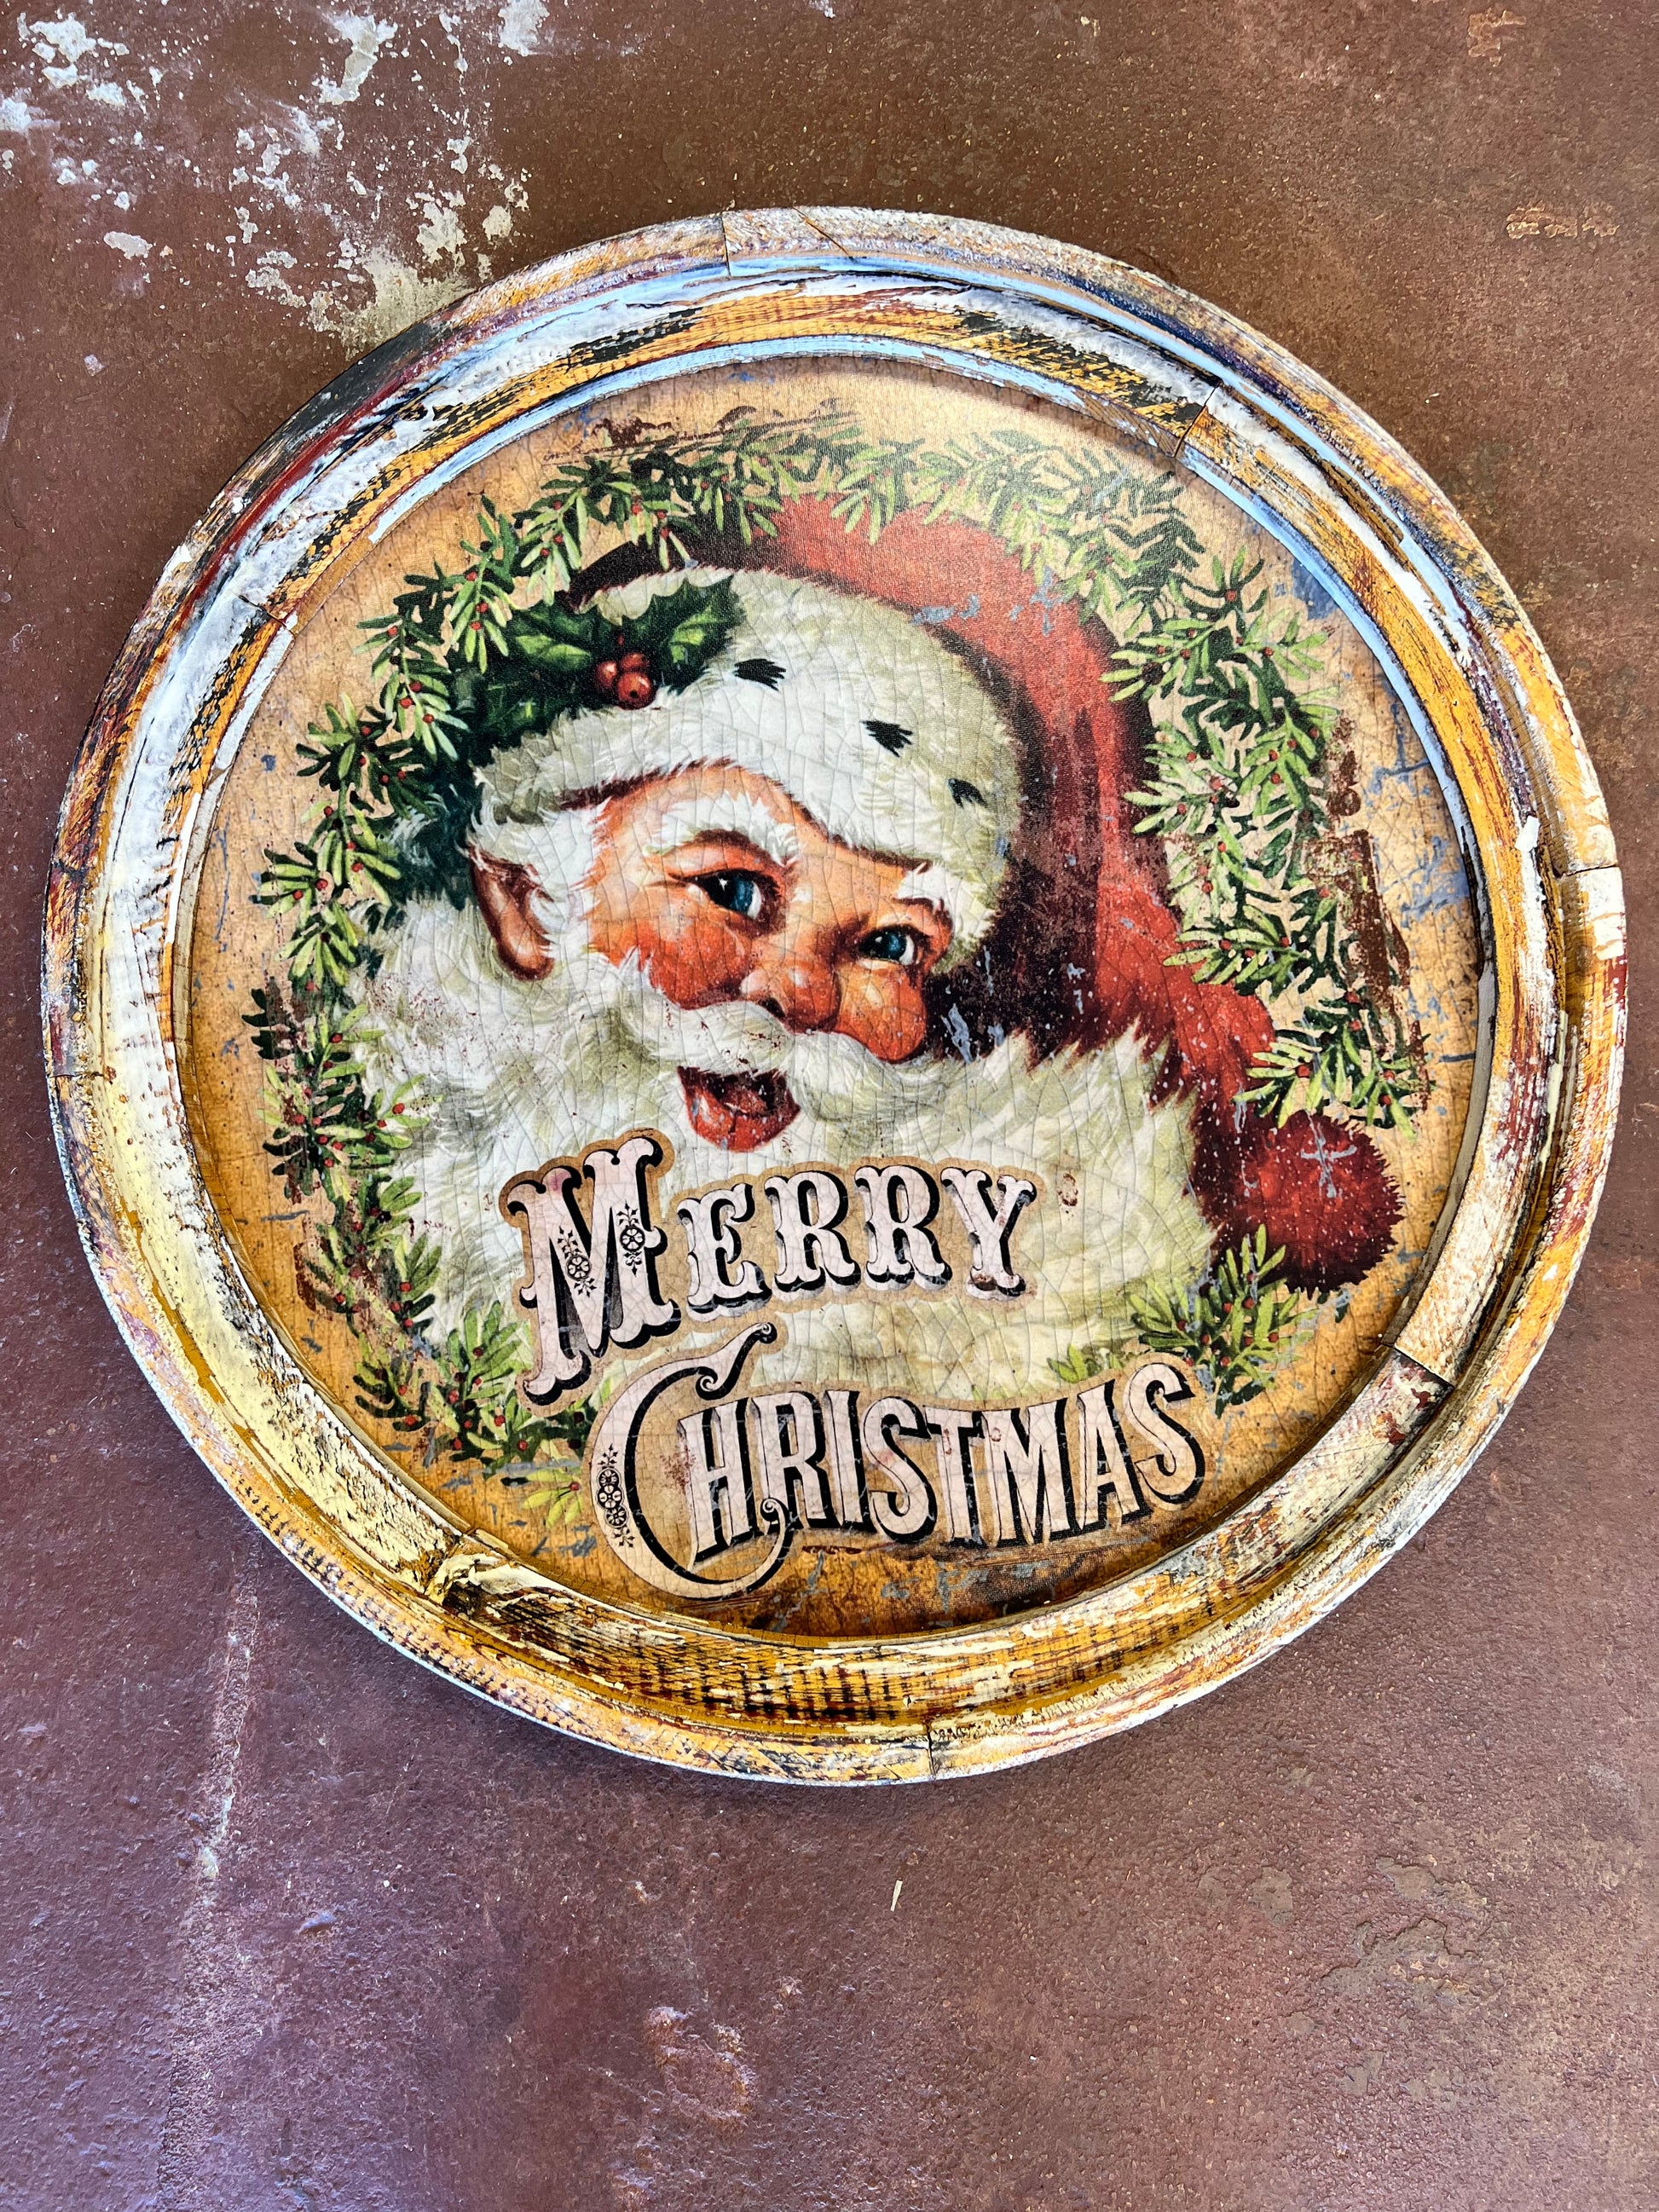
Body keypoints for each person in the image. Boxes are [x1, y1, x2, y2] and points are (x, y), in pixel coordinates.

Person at [362, 513, 1400, 1406]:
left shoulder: (1029, 1245)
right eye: (731, 891)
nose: (800, 993)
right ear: (524, 899)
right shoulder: (389, 1193)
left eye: (889, 946)